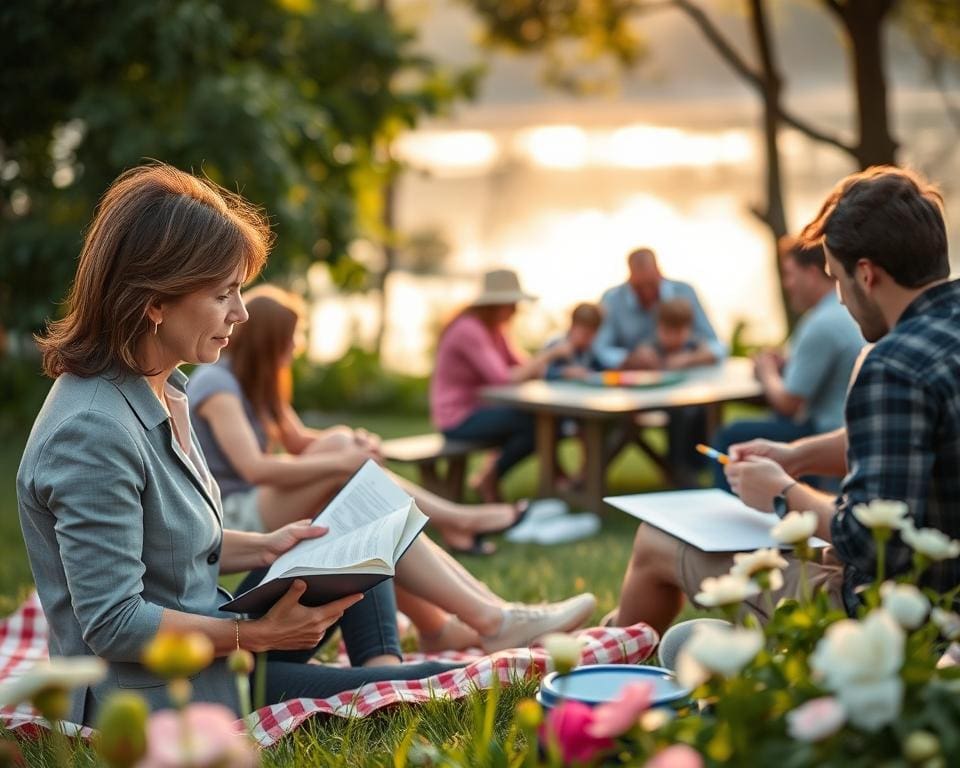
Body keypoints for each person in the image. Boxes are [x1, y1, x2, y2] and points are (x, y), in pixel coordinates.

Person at [15, 164, 461, 726]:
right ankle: (384, 681)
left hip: (212, 644)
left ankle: (379, 667)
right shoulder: (90, 431)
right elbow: (113, 623)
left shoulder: (162, 385)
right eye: (224, 294)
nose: (242, 313)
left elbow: (167, 544)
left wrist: (269, 546)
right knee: (441, 683)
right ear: (155, 302)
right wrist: (254, 634)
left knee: (345, 538)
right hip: (154, 695)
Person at [612, 166, 959, 634]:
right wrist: (797, 456)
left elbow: (872, 544)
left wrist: (780, 492)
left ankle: (598, 668)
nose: (840, 298)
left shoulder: (891, 364)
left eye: (837, 278)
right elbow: (908, 438)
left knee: (657, 541)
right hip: (943, 593)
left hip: (895, 618)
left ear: (867, 274)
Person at [188, 284, 597, 650]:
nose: (296, 347)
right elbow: (255, 468)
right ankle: (462, 535)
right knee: (351, 476)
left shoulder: (252, 381)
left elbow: (297, 441)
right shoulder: (217, 385)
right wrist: (344, 460)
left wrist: (352, 442)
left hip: (259, 504)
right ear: (268, 340)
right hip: (236, 515)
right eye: (292, 338)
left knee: (355, 473)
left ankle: (474, 617)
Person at [711, 237, 864, 492]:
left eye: (790, 274)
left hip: (829, 432)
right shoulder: (843, 311)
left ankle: (735, 513)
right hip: (844, 426)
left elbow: (789, 403)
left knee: (731, 436)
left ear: (812, 273)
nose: (786, 284)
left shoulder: (821, 323)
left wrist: (767, 371)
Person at [430, 268, 572, 503]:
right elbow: (503, 378)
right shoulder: (469, 330)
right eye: (512, 304)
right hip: (458, 417)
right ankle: (492, 476)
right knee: (537, 422)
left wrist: (559, 372)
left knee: (546, 420)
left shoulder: (494, 330)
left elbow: (521, 365)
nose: (516, 311)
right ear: (496, 304)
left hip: (480, 410)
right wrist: (549, 355)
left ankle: (498, 475)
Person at [594, 248, 725, 484]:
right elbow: (600, 348)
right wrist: (629, 358)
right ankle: (592, 476)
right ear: (629, 278)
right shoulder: (612, 299)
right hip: (629, 391)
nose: (646, 293)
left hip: (682, 388)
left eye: (651, 285)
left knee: (693, 408)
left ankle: (684, 470)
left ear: (660, 274)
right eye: (639, 287)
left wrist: (689, 358)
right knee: (598, 415)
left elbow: (716, 344)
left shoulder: (684, 293)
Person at [543, 302, 604, 382]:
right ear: (573, 326)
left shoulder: (589, 351)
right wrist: (564, 372)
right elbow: (541, 372)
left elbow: (599, 371)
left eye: (593, 335)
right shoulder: (557, 345)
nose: (589, 339)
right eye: (585, 334)